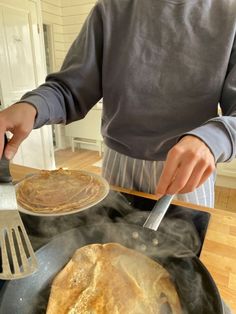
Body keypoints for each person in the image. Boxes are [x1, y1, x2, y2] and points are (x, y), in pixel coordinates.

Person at [0, 0, 236, 210]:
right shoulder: (109, 9)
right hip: (118, 166)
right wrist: (33, 106)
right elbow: (70, 89)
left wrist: (215, 137)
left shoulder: (230, 13)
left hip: (189, 173)